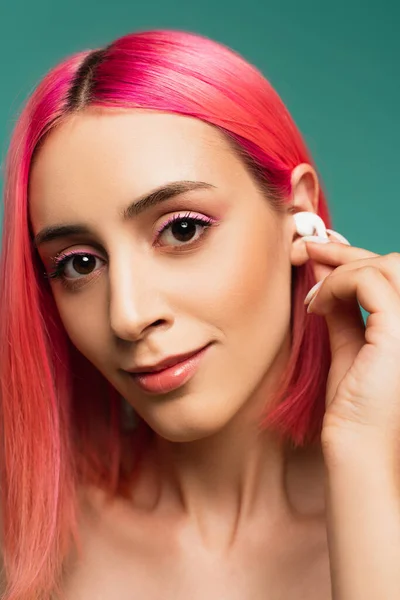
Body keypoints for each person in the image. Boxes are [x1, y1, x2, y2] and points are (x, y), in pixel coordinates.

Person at [0, 29, 399, 600]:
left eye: (182, 229)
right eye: (80, 264)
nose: (128, 316)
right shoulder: (28, 546)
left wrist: (363, 465)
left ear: (300, 213)